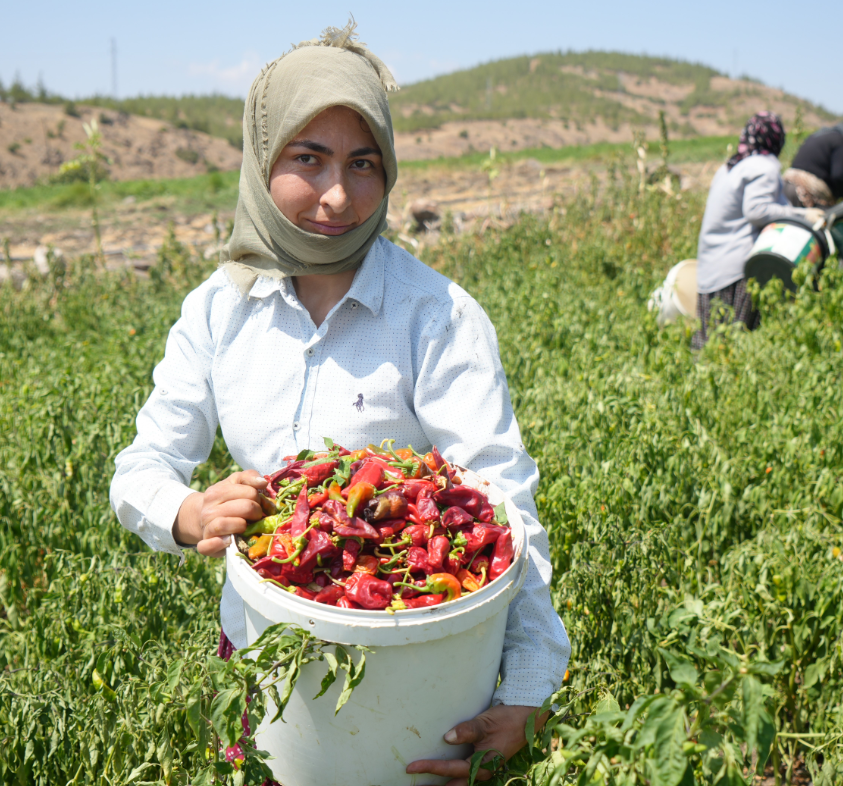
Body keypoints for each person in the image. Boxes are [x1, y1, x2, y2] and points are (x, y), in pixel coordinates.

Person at [108, 22, 570, 786]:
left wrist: (527, 690)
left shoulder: (436, 316)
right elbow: (142, 466)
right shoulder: (220, 311)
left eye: (363, 164)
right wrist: (189, 515)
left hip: (416, 669)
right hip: (265, 653)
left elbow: (504, 511)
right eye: (306, 158)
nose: (336, 195)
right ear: (261, 162)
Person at [693, 112, 823, 349]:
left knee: (708, 344)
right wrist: (804, 214)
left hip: (709, 268)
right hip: (736, 269)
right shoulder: (765, 166)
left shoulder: (730, 166)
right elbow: (757, 210)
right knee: (737, 344)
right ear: (776, 140)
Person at [783, 118, 843, 207]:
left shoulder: (819, 134)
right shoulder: (841, 140)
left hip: (787, 185)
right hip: (808, 191)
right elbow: (839, 175)